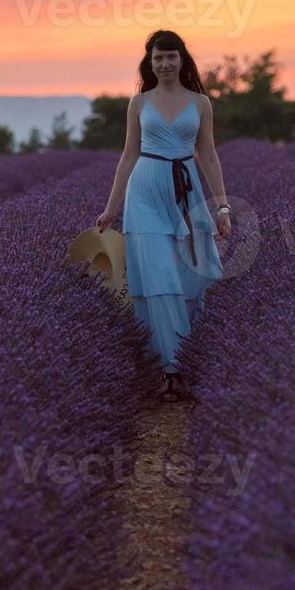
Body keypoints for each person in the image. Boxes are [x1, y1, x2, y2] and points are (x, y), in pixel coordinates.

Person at [96, 30, 231, 403]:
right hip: (145, 192)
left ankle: (188, 360)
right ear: (149, 62)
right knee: (158, 277)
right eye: (158, 58)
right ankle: (168, 370)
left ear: (182, 60)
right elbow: (127, 156)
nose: (165, 64)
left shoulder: (201, 103)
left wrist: (221, 206)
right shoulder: (138, 103)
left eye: (171, 57)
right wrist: (111, 208)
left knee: (191, 272)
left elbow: (209, 155)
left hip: (186, 190)